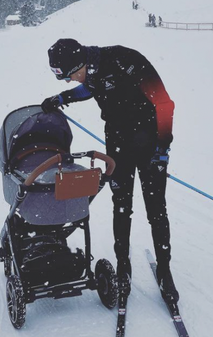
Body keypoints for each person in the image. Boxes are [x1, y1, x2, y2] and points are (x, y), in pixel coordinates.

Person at [41, 38, 179, 304]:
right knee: (122, 205)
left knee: (156, 209)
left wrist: (162, 149)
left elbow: (164, 104)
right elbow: (88, 88)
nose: (71, 81)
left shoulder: (125, 60)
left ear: (80, 64)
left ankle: (164, 270)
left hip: (151, 143)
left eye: (70, 76)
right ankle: (123, 266)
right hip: (117, 143)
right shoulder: (89, 74)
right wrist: (62, 98)